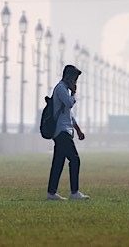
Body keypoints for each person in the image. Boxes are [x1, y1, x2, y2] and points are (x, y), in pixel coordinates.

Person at [46, 64, 89, 200]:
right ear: (68, 77)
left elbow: (69, 115)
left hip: (64, 130)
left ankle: (51, 193)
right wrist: (74, 93)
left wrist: (78, 130)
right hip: (61, 131)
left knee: (58, 162)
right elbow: (70, 104)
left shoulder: (64, 89)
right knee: (75, 160)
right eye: (74, 79)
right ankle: (74, 192)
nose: (75, 82)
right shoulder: (61, 89)